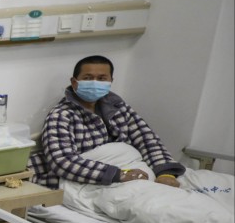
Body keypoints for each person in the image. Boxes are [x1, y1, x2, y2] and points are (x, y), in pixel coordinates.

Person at [30, 55, 185, 189]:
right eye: (88, 78)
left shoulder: (117, 107)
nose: (95, 83)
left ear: (111, 81)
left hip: (133, 170)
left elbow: (146, 139)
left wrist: (166, 173)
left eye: (102, 79)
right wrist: (117, 174)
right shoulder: (62, 115)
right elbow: (62, 162)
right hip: (98, 179)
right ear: (75, 82)